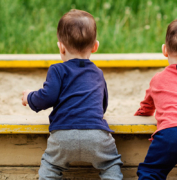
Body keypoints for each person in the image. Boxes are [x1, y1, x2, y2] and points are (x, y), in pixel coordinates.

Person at [22, 9, 123, 180]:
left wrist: (29, 97)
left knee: (51, 166)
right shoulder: (98, 73)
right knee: (111, 164)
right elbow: (102, 104)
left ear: (60, 46)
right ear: (95, 46)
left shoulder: (57, 69)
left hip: (63, 135)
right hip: (96, 135)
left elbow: (47, 97)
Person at [135, 19, 177, 180]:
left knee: (151, 172)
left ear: (164, 50)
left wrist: (140, 114)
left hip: (170, 134)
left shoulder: (158, 79)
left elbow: (147, 106)